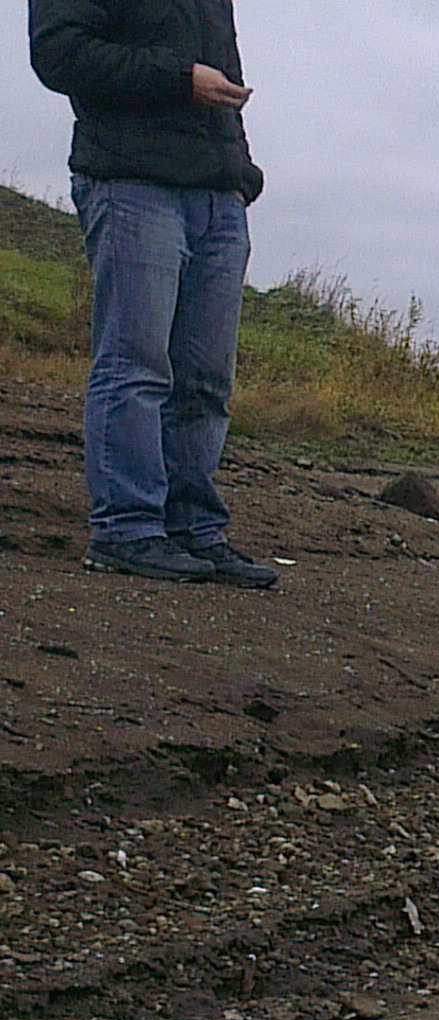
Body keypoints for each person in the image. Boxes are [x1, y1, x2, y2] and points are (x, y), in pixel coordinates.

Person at [28, 0, 276, 588]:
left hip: (216, 192)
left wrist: (239, 175)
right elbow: (58, 54)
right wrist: (180, 78)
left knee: (205, 379)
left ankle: (193, 528)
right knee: (135, 364)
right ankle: (128, 529)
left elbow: (220, 81)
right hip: (132, 181)